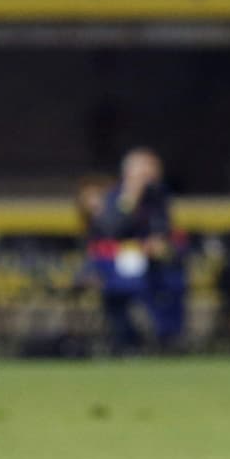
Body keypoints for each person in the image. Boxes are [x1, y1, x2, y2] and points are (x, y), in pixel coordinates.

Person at [86, 148, 186, 353]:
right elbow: (111, 230)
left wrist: (158, 242)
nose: (150, 175)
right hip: (116, 262)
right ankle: (127, 341)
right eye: (145, 171)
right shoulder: (114, 197)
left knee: (174, 281)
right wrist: (131, 197)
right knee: (120, 290)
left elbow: (162, 227)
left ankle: (168, 337)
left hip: (152, 262)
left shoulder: (158, 197)